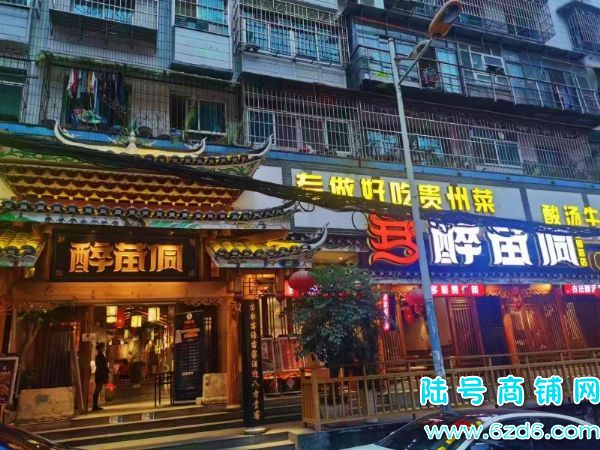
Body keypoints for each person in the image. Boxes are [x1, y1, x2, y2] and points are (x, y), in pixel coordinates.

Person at [93, 342, 109, 411]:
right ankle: (95, 406)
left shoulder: (100, 356)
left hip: (99, 374)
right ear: (101, 348)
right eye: (104, 347)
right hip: (100, 374)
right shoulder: (100, 356)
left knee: (98, 389)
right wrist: (107, 370)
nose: (104, 348)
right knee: (97, 389)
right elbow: (102, 366)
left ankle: (95, 405)